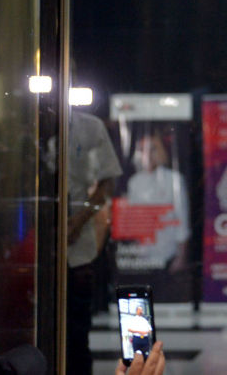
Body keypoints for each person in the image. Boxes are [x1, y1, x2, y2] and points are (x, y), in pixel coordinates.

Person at [63, 110, 124, 375]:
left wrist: (78, 219)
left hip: (78, 246)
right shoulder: (26, 119)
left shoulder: (90, 127)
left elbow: (107, 184)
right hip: (31, 244)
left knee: (77, 330)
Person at [126, 133, 191, 274]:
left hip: (168, 256)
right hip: (141, 258)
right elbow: (132, 221)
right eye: (143, 150)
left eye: (153, 149)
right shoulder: (134, 182)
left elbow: (182, 221)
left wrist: (181, 258)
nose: (148, 155)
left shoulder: (174, 180)